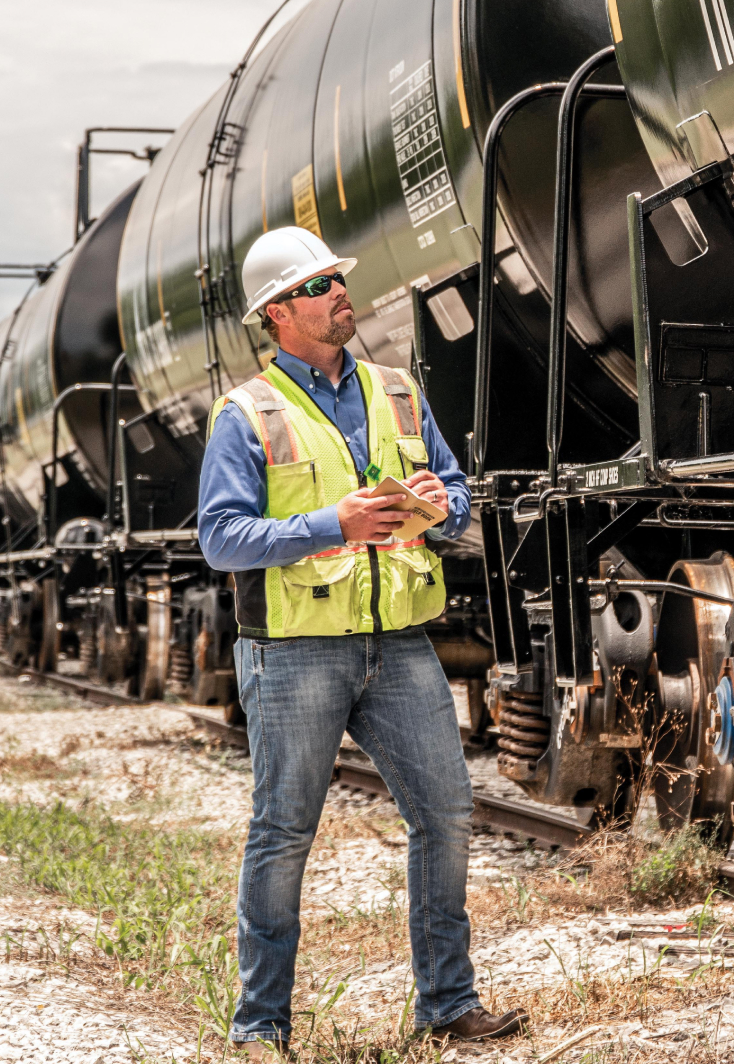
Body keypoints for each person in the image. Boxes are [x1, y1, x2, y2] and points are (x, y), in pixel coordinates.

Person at [198, 226, 527, 1059]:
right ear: (279, 313)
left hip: (399, 644)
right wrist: (329, 524)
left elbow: (454, 489)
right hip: (296, 650)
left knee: (447, 813)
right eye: (318, 287)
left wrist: (437, 501)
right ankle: (260, 1025)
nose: (339, 293)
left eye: (336, 281)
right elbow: (222, 539)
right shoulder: (247, 415)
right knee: (284, 831)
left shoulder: (398, 392)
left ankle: (449, 1006)